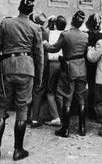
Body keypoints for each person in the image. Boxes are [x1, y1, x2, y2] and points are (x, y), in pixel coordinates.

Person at [0, 0, 43, 162]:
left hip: (7, 68)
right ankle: (18, 150)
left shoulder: (6, 23)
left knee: (1, 107)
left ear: (19, 8)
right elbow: (39, 56)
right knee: (22, 109)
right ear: (31, 10)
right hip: (27, 69)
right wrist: (38, 78)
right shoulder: (35, 28)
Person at [43, 10, 88, 138]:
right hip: (81, 68)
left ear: (72, 20)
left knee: (67, 97)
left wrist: (46, 44)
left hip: (69, 68)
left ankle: (65, 129)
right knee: (81, 99)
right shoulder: (85, 36)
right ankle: (82, 128)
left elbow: (54, 49)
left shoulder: (66, 35)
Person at [28, 12, 50, 128]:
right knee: (38, 90)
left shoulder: (30, 30)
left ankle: (27, 116)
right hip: (42, 62)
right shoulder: (45, 32)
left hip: (30, 61)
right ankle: (34, 119)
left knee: (29, 89)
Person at [45, 15, 67, 126]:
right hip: (63, 63)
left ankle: (55, 116)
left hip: (52, 63)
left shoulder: (51, 33)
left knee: (50, 90)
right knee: (60, 91)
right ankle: (63, 115)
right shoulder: (66, 34)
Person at [85, 13, 102, 119]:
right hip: (99, 65)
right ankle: (98, 111)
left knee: (90, 88)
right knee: (98, 90)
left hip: (88, 65)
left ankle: (89, 111)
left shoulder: (85, 35)